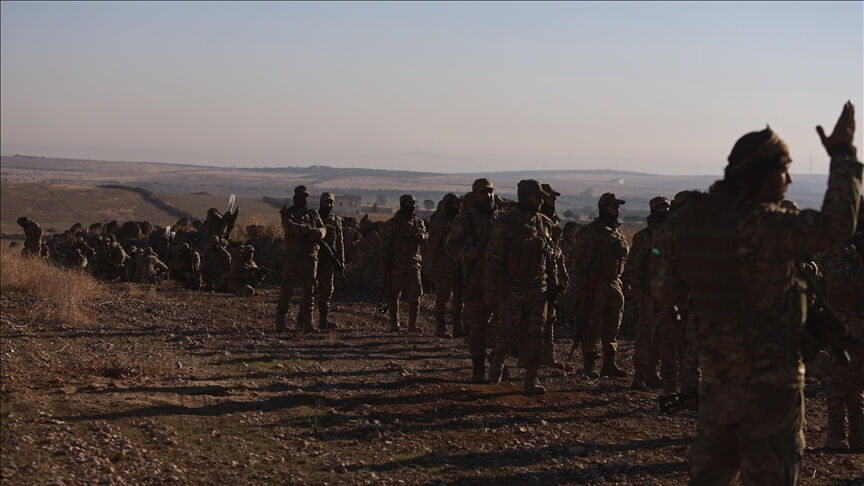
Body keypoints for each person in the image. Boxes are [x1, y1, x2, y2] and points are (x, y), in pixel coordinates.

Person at [652, 102, 862, 484]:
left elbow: (665, 290)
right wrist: (843, 155)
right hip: (773, 390)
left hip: (716, 383)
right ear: (763, 175)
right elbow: (837, 225)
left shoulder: (683, 223)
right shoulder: (768, 226)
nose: (790, 181)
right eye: (784, 170)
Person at [485, 180, 558, 394]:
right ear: (526, 196)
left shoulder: (545, 223)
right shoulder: (506, 223)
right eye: (538, 197)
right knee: (506, 331)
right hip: (511, 288)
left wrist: (553, 283)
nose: (541, 201)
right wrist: (489, 289)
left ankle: (531, 380)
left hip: (538, 288)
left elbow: (550, 256)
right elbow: (493, 257)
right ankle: (497, 366)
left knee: (536, 334)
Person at [445, 178, 501, 382]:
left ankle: (497, 364)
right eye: (483, 192)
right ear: (475, 194)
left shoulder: (501, 219)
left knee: (502, 325)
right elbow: (450, 247)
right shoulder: (466, 219)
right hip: (475, 281)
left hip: (499, 281)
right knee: (477, 326)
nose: (488, 196)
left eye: (490, 192)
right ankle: (478, 367)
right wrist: (469, 252)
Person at [571, 193, 630, 378]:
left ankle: (609, 363)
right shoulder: (589, 232)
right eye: (613, 207)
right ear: (604, 208)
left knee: (613, 324)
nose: (617, 211)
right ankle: (589, 364)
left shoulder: (616, 231)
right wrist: (582, 288)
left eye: (618, 207)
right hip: (595, 284)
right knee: (591, 325)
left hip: (614, 282)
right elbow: (579, 262)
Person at [820, 216, 864, 451]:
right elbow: (838, 291)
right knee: (839, 385)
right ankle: (836, 436)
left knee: (858, 387)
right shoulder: (837, 249)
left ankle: (859, 437)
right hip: (846, 326)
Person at [623, 196, 670, 390]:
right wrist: (637, 291)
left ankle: (652, 373)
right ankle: (639, 376)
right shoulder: (645, 237)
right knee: (645, 336)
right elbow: (632, 266)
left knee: (661, 337)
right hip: (650, 294)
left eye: (666, 207)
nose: (664, 211)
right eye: (659, 208)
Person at [276, 185, 326, 333]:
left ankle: (307, 323)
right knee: (287, 288)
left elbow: (323, 228)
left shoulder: (313, 214)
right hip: (293, 256)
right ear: (295, 197)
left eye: (305, 196)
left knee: (309, 291)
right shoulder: (288, 213)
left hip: (310, 257)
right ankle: (279, 321)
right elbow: (288, 227)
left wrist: (319, 233)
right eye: (300, 196)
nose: (303, 199)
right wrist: (308, 230)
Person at [381, 194, 428, 332]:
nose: (412, 206)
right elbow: (385, 247)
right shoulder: (392, 224)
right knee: (394, 294)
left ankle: (412, 325)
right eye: (409, 203)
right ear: (403, 205)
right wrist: (385, 267)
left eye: (413, 203)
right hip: (396, 264)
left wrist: (422, 236)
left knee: (416, 294)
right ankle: (394, 324)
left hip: (414, 264)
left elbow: (425, 235)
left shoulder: (418, 222)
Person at [540, 183, 569, 369]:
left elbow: (556, 250)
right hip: (536, 276)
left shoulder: (553, 219)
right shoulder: (534, 220)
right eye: (551, 196)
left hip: (551, 275)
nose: (555, 200)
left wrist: (562, 271)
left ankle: (548, 357)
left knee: (550, 316)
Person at [428, 193, 462, 338]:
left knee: (460, 297)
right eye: (454, 204)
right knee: (442, 297)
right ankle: (440, 327)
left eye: (458, 203)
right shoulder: (440, 222)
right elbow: (433, 245)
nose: (457, 206)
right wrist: (433, 263)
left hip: (460, 263)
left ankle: (458, 328)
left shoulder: (461, 220)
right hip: (444, 264)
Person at [317, 192, 345, 330]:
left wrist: (341, 260)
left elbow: (340, 242)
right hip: (315, 259)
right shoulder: (314, 217)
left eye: (331, 202)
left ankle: (323, 321)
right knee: (310, 290)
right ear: (321, 202)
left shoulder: (336, 220)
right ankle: (303, 320)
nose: (329, 205)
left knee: (327, 291)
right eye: (326, 202)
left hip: (329, 260)